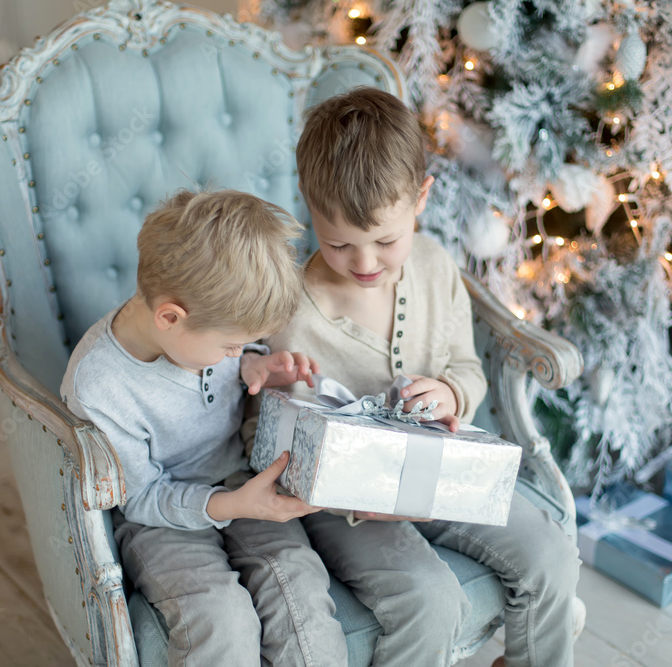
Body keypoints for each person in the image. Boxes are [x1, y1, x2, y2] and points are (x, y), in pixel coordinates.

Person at [258, 88, 581, 667]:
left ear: (421, 200)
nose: (364, 264)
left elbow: (467, 370)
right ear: (308, 205)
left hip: (444, 476)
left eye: (386, 241)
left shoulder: (433, 266)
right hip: (346, 510)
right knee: (429, 600)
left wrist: (452, 392)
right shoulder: (290, 309)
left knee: (550, 556)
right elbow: (277, 441)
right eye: (339, 245)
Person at [60, 190, 347, 666]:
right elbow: (141, 497)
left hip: (237, 478)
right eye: (232, 345)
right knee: (221, 617)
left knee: (298, 586)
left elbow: (216, 363)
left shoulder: (195, 333)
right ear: (170, 317)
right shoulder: (100, 387)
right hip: (159, 516)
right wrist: (231, 505)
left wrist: (255, 366)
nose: (235, 353)